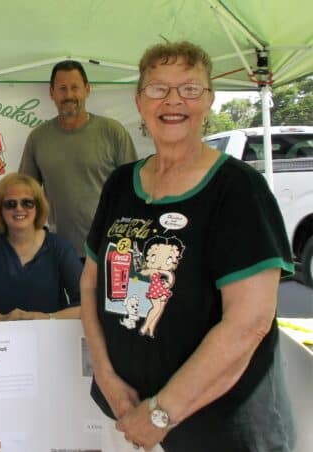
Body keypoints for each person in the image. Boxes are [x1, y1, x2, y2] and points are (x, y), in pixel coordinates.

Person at [80, 41, 295, 452]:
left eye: (190, 89)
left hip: (216, 430)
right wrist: (106, 376)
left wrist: (162, 412)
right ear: (139, 101)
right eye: (158, 88)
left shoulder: (238, 189)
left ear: (210, 99)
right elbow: (92, 283)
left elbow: (249, 323)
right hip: (127, 413)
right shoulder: (121, 184)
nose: (173, 100)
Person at [19, 60, 137, 260]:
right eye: (62, 88)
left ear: (87, 89)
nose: (69, 95)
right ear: (52, 93)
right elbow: (24, 193)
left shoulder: (112, 132)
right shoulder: (38, 138)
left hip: (108, 250)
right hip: (59, 252)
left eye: (75, 87)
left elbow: (133, 191)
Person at [0, 173, 82, 322]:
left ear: (38, 207)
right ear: (0, 210)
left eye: (27, 203)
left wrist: (47, 318)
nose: (19, 209)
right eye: (10, 204)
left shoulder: (60, 247)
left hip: (49, 338)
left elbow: (87, 304)